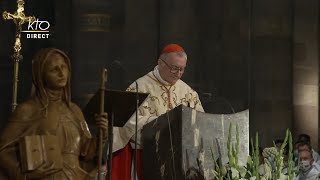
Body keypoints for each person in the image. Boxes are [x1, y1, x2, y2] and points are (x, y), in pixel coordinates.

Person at [0, 48, 108, 179]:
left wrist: (101, 136)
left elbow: (86, 155)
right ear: (41, 74)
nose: (61, 73)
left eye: (63, 67)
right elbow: (3, 151)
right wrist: (23, 176)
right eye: (53, 69)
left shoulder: (74, 110)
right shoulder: (28, 109)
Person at [111, 43, 205, 180]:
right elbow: (126, 124)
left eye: (182, 69)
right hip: (149, 158)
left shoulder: (188, 92)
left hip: (182, 161)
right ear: (160, 63)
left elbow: (201, 123)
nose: (178, 74)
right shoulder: (138, 88)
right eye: (174, 68)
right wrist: (160, 126)